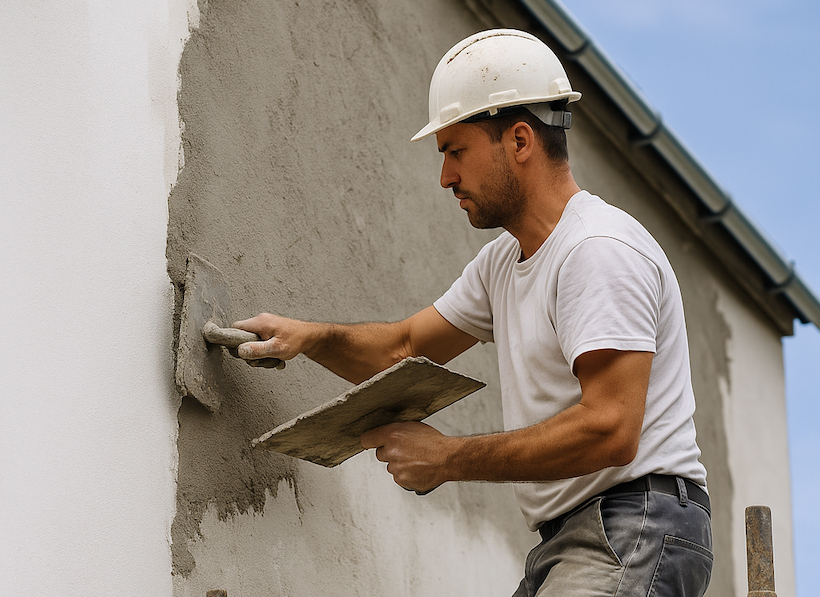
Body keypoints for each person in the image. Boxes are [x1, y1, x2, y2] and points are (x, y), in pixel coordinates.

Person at [234, 29, 713, 597]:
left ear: (519, 140)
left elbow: (610, 429)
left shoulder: (597, 250)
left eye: (455, 151)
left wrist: (447, 458)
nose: (445, 178)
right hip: (572, 536)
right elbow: (404, 349)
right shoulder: (502, 265)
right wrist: (310, 338)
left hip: (637, 523)